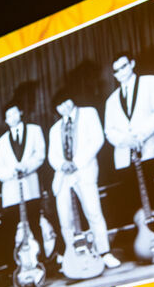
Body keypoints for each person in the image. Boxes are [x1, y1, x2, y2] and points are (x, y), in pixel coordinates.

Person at [48, 90, 121, 270]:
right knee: (65, 220)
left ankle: (104, 253)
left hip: (84, 171)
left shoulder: (89, 113)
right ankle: (73, 257)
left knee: (93, 213)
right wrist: (62, 165)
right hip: (63, 177)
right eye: (59, 105)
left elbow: (97, 139)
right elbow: (52, 156)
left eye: (66, 102)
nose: (64, 107)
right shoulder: (55, 128)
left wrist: (77, 162)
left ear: (72, 100)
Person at [103, 52, 154, 246]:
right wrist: (127, 140)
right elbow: (109, 131)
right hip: (125, 156)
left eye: (124, 67)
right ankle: (144, 242)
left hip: (148, 149)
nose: (121, 73)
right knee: (133, 200)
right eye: (116, 71)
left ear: (132, 64)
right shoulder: (111, 100)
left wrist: (141, 135)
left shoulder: (150, 82)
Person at [0, 95, 56, 280]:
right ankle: (17, 269)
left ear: (20, 113)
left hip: (30, 188)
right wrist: (12, 172)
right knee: (13, 230)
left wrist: (26, 167)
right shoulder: (1, 142)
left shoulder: (35, 131)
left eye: (14, 113)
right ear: (5, 120)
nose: (12, 117)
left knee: (35, 225)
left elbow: (40, 154)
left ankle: (43, 264)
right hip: (11, 192)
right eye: (8, 115)